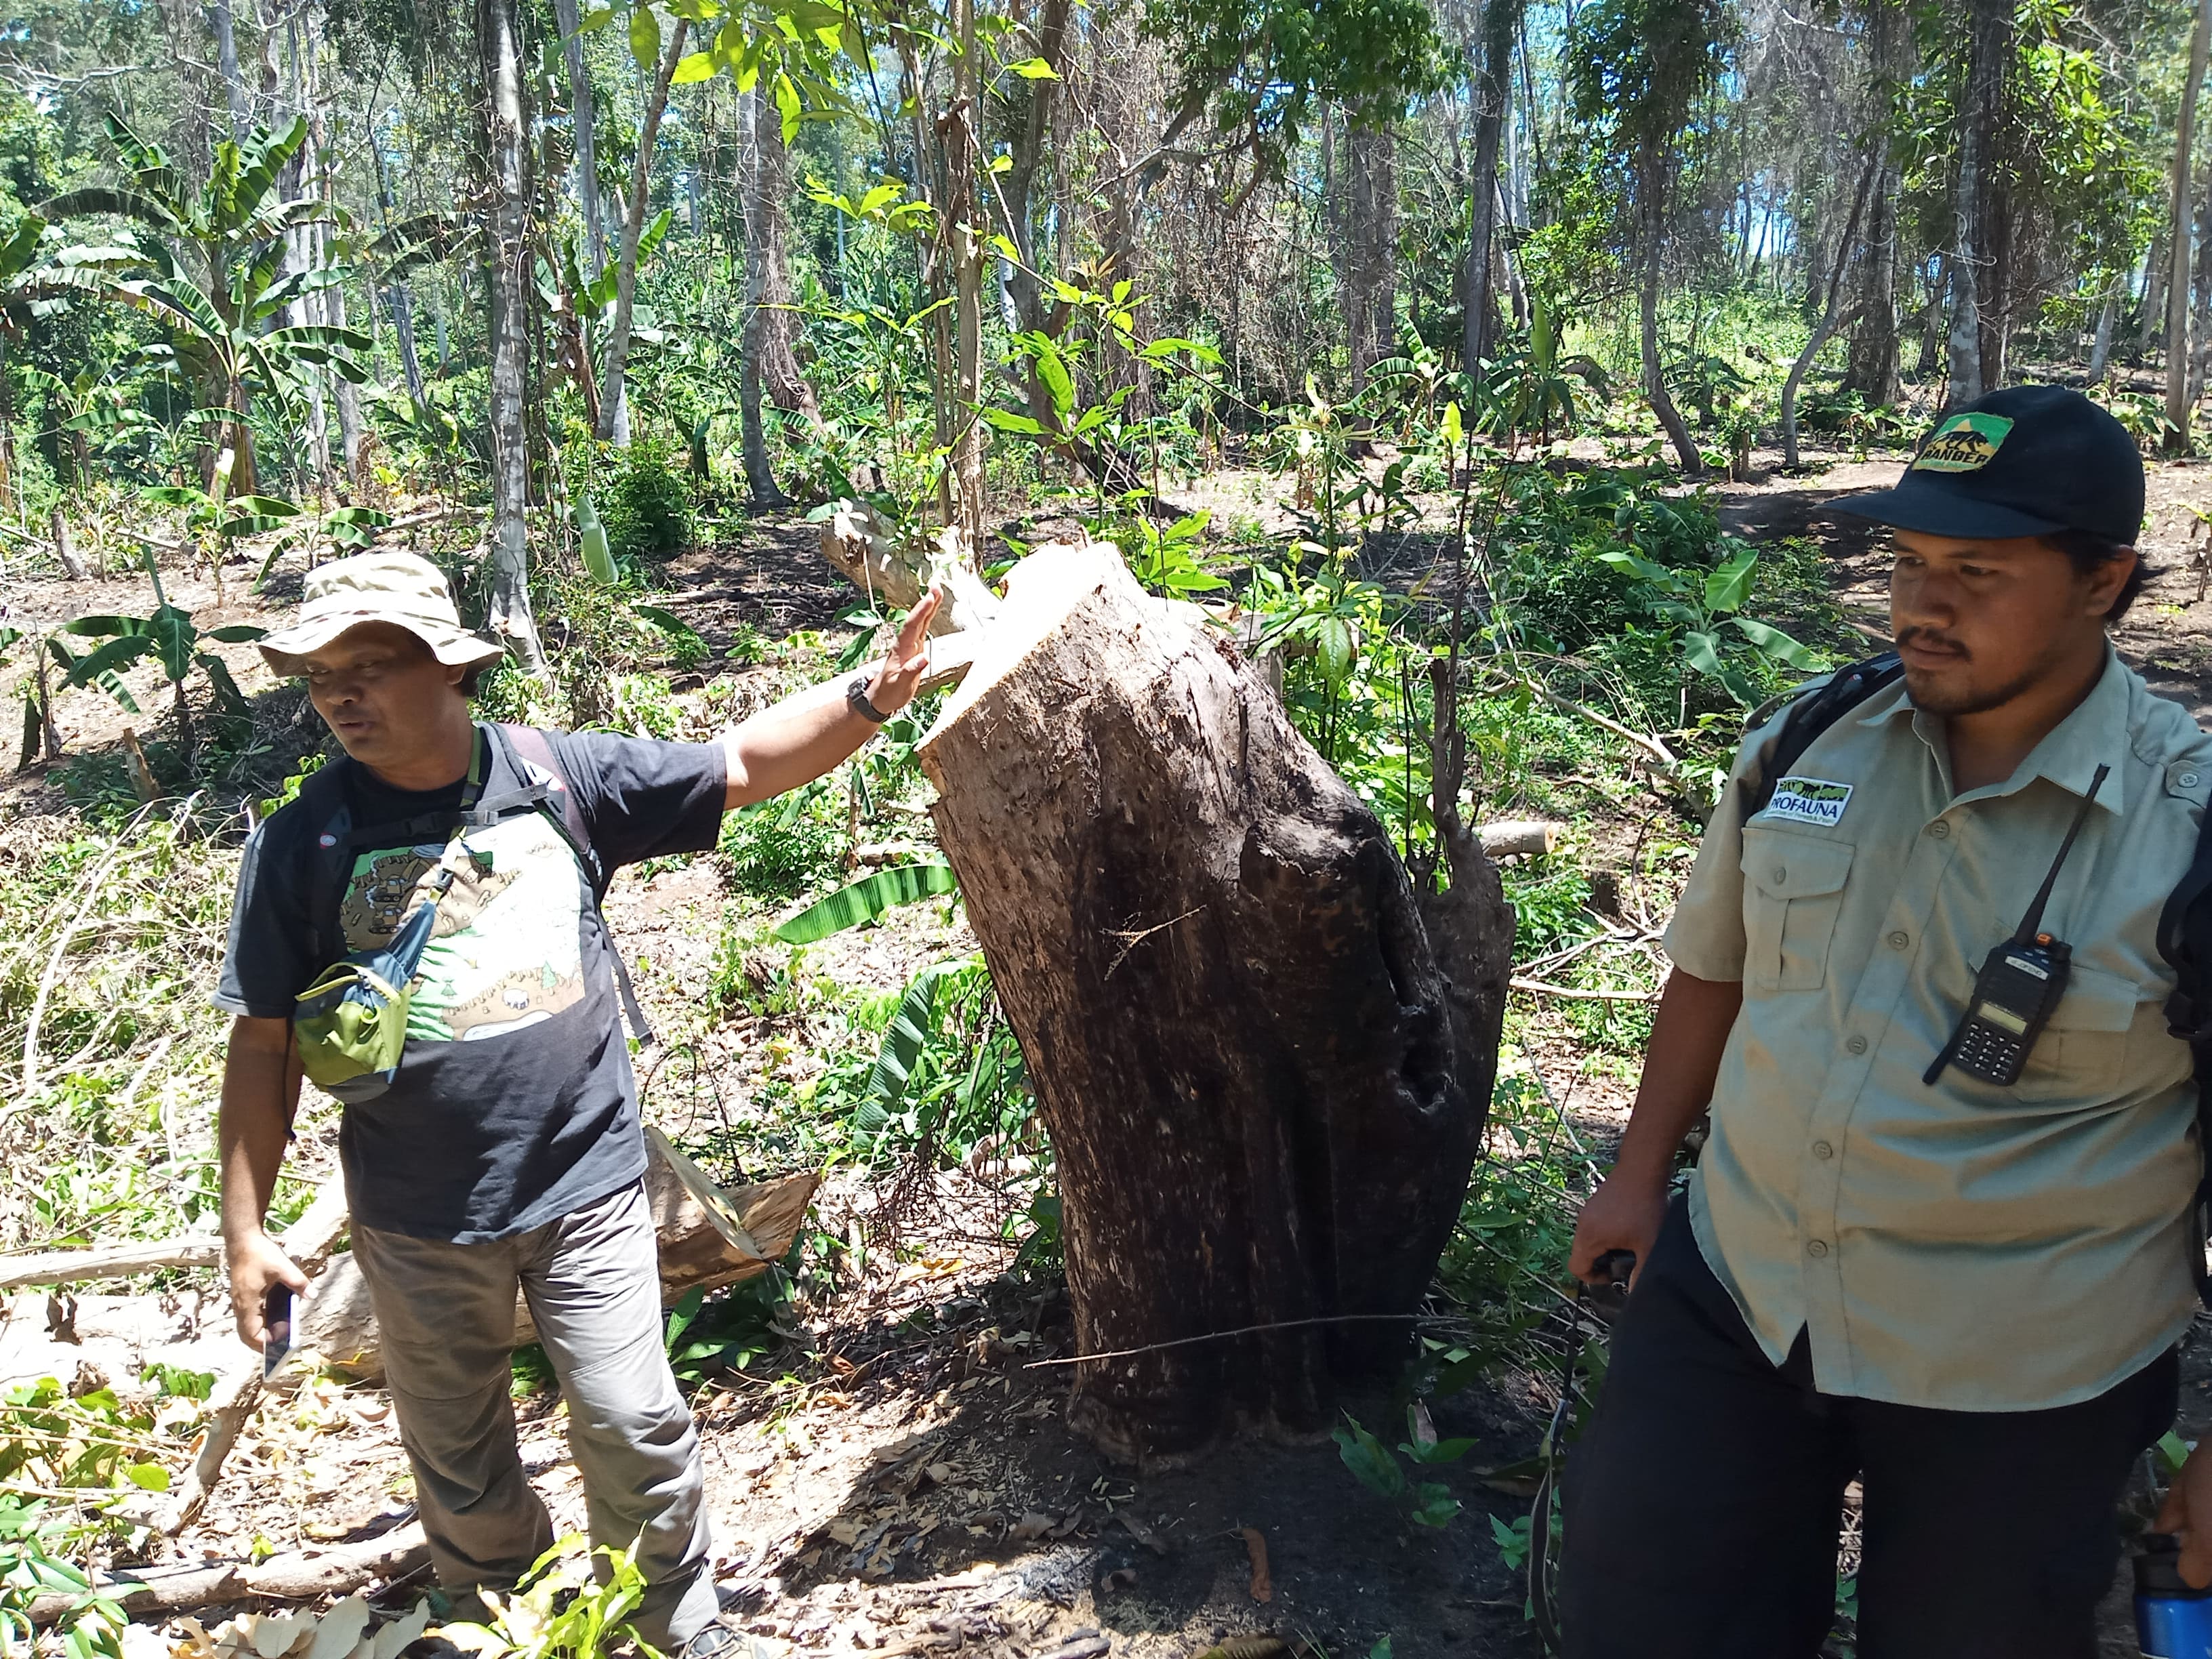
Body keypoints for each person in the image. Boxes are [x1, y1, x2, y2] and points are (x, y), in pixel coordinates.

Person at [1561, 384, 2212, 1658]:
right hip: (1743, 1290)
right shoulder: (1815, 741)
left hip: (2025, 1368)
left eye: (1978, 569)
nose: (1925, 602)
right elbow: (1713, 967)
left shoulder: (2186, 833)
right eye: (1912, 562)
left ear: (2103, 582)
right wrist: (1638, 1181)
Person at [215, 550, 939, 1657]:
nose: (342, 696)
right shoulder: (302, 842)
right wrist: (248, 1233)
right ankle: (499, 1621)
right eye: (321, 678)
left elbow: (738, 764)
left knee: (630, 1422)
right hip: (414, 1218)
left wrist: (871, 696)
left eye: (370, 667)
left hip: (587, 1187)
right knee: (459, 1461)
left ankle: (673, 1633)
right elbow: (263, 1043)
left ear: (451, 671)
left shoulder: (558, 777)